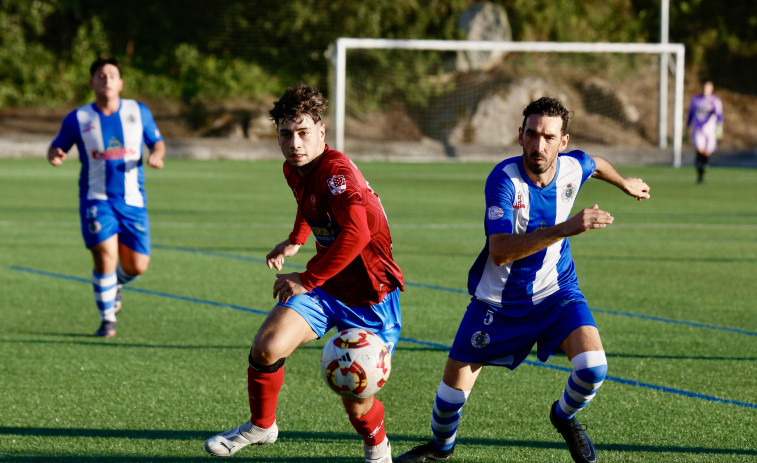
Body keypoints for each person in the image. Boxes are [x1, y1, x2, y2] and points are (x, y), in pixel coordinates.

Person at [395, 97, 650, 463]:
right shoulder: (503, 180)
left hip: (556, 293)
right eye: (532, 134)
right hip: (497, 304)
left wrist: (624, 182)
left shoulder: (572, 166)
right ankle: (440, 448)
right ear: (520, 136)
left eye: (549, 137)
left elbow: (594, 164)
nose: (539, 145)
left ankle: (563, 417)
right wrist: (567, 228)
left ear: (563, 142)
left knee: (594, 367)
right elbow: (500, 251)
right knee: (450, 398)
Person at [204, 84, 404, 463]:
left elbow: (358, 233)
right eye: (285, 134)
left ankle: (378, 447)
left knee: (356, 401)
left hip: (371, 297)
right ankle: (261, 427)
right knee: (266, 347)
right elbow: (310, 205)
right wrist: (295, 240)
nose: (294, 143)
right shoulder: (295, 169)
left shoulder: (337, 173)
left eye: (303, 133)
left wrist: (307, 278)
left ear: (321, 133)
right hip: (328, 286)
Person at [47, 56, 166, 338]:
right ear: (92, 83)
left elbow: (157, 142)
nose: (107, 79)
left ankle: (116, 285)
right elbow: (57, 145)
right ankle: (107, 320)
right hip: (96, 199)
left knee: (137, 265)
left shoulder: (138, 111)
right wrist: (56, 154)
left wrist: (157, 154)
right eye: (101, 75)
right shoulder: (79, 118)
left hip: (133, 201)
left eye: (112, 75)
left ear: (121, 82)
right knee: (105, 258)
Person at [686, 80, 724, 184]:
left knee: (707, 153)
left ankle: (702, 167)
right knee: (700, 149)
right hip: (698, 130)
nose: (705, 89)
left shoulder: (715, 100)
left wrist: (719, 126)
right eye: (704, 87)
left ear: (712, 89)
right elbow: (690, 115)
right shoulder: (695, 100)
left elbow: (719, 114)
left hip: (710, 131)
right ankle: (700, 174)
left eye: (707, 87)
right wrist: (687, 127)